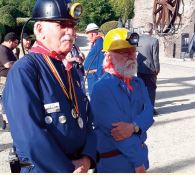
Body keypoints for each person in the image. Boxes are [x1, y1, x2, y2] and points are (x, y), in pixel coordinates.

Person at [3, 0, 96, 173]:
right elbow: (29, 135)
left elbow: (88, 119)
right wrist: (67, 168)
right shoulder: (25, 70)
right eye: (61, 24)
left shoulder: (70, 71)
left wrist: (87, 158)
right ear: (39, 30)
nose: (70, 31)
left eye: (72, 25)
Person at [90, 28, 154, 173]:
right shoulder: (102, 89)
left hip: (140, 158)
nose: (131, 56)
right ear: (108, 56)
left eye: (132, 51)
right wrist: (138, 164)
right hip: (116, 164)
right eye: (124, 52)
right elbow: (118, 133)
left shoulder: (138, 83)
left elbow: (149, 114)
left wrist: (134, 126)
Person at [137, 22, 160, 115]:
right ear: (152, 29)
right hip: (150, 69)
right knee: (151, 89)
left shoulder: (138, 39)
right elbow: (155, 57)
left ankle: (141, 108)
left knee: (141, 88)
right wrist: (157, 68)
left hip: (140, 68)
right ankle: (150, 109)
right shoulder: (154, 40)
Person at [0, 32, 19, 129]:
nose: (16, 45)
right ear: (10, 41)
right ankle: (5, 119)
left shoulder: (8, 49)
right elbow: (7, 64)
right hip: (4, 80)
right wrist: (21, 63)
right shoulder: (2, 49)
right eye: (15, 43)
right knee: (5, 99)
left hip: (8, 78)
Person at [83, 23, 104, 97]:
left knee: (94, 96)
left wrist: (99, 77)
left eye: (87, 35)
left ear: (92, 34)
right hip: (91, 76)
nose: (87, 37)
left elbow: (101, 60)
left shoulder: (99, 42)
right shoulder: (95, 43)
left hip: (94, 76)